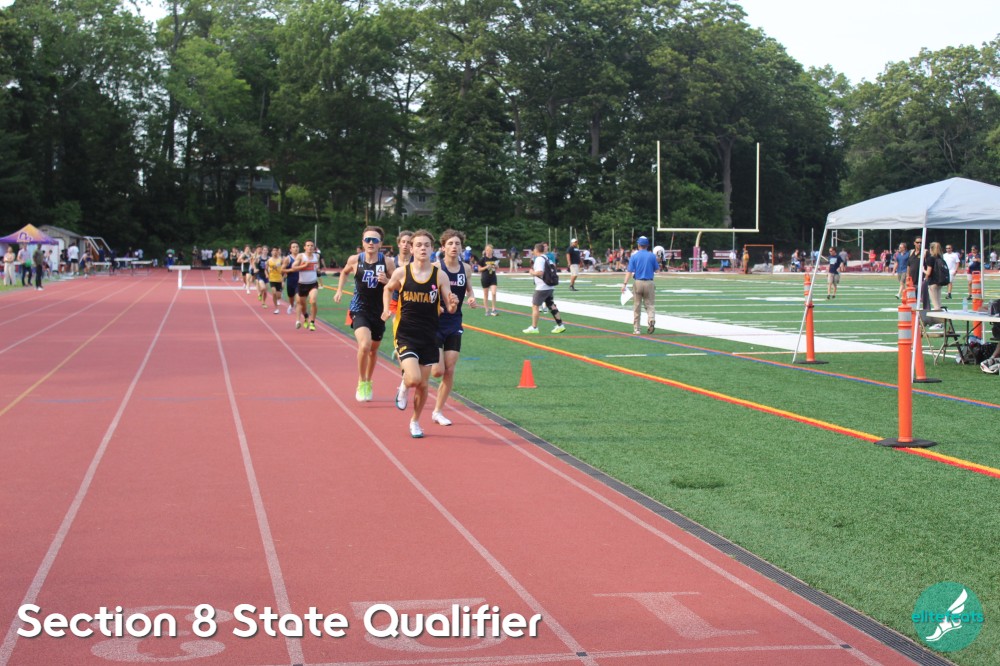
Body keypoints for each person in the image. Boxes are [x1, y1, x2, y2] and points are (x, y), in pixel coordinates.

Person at [381, 229, 458, 438]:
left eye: (426, 245)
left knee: (423, 385)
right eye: (418, 245)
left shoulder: (439, 275)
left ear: (432, 249)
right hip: (406, 333)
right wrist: (386, 309)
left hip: (429, 335)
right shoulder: (402, 273)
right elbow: (387, 289)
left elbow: (449, 306)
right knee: (414, 378)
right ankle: (404, 385)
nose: (422, 248)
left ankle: (415, 421)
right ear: (411, 249)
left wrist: (452, 304)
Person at [335, 227, 396, 402]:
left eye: (374, 240)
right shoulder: (355, 259)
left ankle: (369, 380)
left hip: (379, 311)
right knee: (365, 345)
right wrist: (339, 290)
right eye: (367, 239)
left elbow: (398, 283)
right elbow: (344, 272)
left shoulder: (388, 262)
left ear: (380, 244)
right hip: (359, 308)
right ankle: (362, 381)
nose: (371, 243)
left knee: (373, 350)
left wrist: (387, 281)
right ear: (362, 242)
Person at [429, 229, 477, 426]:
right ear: (443, 247)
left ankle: (438, 411)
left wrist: (472, 297)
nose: (454, 247)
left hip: (454, 321)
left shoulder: (466, 268)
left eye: (457, 243)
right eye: (450, 244)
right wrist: (436, 305)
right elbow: (426, 292)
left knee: (449, 369)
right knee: (437, 371)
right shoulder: (435, 268)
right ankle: (410, 372)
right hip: (434, 322)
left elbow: (469, 289)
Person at [389, 231, 414, 410]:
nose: (405, 245)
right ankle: (405, 375)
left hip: (414, 305)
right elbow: (386, 285)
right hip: (396, 303)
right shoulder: (391, 262)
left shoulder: (417, 262)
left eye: (409, 242)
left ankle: (406, 374)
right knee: (400, 337)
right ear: (398, 244)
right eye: (403, 242)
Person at [523, 243, 566, 335]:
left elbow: (540, 272)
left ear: (536, 250)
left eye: (534, 249)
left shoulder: (539, 259)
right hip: (550, 285)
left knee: (535, 306)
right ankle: (560, 325)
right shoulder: (547, 258)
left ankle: (534, 327)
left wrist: (532, 272)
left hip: (542, 287)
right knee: (551, 304)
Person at [621, 236, 658, 334]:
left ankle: (637, 328)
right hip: (649, 282)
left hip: (638, 282)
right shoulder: (652, 256)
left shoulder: (634, 256)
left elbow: (629, 271)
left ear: (638, 245)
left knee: (637, 306)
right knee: (650, 304)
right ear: (647, 245)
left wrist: (624, 284)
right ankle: (651, 319)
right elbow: (657, 270)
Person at [288, 240, 322, 330]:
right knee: (302, 305)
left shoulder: (317, 256)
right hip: (302, 284)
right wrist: (304, 266)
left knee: (313, 301)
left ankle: (312, 322)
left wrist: (318, 269)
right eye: (308, 245)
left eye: (311, 245)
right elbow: (293, 267)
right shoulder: (301, 256)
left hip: (313, 283)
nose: (310, 247)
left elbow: (317, 267)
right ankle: (306, 317)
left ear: (314, 247)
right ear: (304, 247)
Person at [478, 243, 500, 316]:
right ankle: (487, 310)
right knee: (486, 294)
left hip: (493, 277)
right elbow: (479, 269)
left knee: (494, 293)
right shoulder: (482, 259)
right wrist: (486, 267)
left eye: (489, 250)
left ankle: (494, 309)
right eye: (487, 250)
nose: (488, 251)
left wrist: (495, 266)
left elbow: (497, 267)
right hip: (485, 278)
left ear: (492, 251)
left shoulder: (495, 259)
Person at [281, 241, 300, 315]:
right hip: (291, 281)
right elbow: (282, 270)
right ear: (290, 249)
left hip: (300, 282)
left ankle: (298, 317)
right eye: (293, 247)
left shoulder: (302, 257)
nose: (295, 248)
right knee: (291, 298)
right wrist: (291, 270)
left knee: (298, 299)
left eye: (297, 247)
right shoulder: (288, 258)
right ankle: (291, 305)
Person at [266, 247, 284, 313]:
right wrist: (267, 274)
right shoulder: (269, 260)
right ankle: (276, 308)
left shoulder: (281, 260)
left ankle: (279, 296)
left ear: (278, 252)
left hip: (279, 279)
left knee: (278, 296)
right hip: (272, 278)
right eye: (273, 250)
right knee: (274, 293)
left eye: (276, 250)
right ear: (271, 252)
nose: (275, 252)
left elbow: (284, 268)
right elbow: (266, 269)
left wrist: (283, 277)